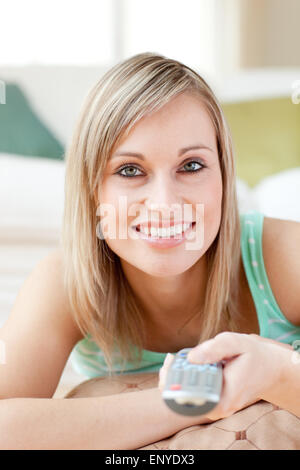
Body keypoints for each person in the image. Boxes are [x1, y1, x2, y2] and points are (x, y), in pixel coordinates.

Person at [0, 52, 299, 449]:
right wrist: (196, 398)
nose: (165, 203)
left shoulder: (281, 256)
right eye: (130, 170)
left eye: (191, 166)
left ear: (224, 177)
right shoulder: (65, 281)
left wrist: (277, 375)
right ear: (93, 191)